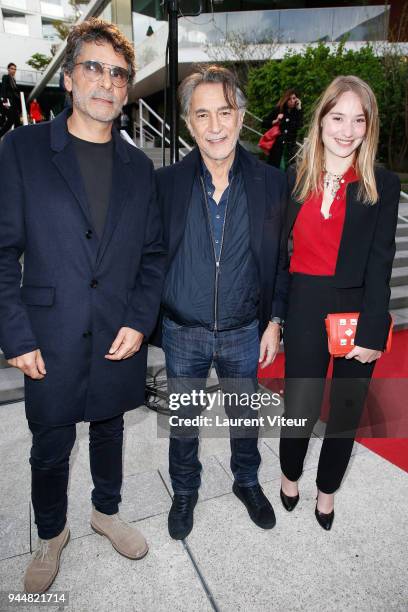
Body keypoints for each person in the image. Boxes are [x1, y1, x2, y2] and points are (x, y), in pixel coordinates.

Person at [0, 18, 166, 592]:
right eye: (93, 67)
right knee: (50, 440)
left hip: (116, 332)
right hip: (48, 331)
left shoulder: (141, 168)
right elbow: (2, 251)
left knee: (110, 426)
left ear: (126, 88)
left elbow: (153, 256)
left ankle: (106, 510)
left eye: (119, 73)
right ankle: (51, 534)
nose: (107, 81)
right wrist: (15, 334)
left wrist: (140, 320)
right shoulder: (21, 149)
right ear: (69, 79)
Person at [152, 66, 289, 540]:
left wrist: (275, 321)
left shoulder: (272, 183)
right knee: (184, 420)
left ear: (242, 116)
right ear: (189, 124)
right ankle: (185, 490)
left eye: (225, 112)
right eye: (202, 114)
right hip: (182, 330)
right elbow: (149, 256)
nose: (215, 126)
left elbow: (281, 262)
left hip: (243, 328)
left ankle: (246, 481)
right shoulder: (165, 184)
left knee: (244, 415)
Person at [279, 75, 400, 530]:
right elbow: (277, 257)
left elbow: (381, 260)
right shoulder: (293, 176)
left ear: (369, 127)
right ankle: (290, 475)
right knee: (301, 408)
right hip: (305, 304)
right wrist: (273, 318)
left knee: (346, 411)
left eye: (359, 120)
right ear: (321, 119)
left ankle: (326, 492)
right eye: (338, 117)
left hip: (356, 307)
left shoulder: (380, 184)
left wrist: (373, 330)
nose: (347, 130)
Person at [261, 89, 302, 169]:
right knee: (273, 169)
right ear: (286, 100)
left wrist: (299, 108)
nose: (292, 101)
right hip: (276, 148)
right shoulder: (279, 109)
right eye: (290, 99)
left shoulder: (297, 112)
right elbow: (264, 123)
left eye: (294, 98)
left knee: (287, 172)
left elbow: (300, 126)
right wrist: (275, 121)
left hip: (289, 150)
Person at [0, 62, 21, 138]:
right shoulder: (5, 77)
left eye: (15, 69)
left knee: (17, 122)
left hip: (14, 104)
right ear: (8, 69)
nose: (14, 70)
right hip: (8, 103)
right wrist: (4, 101)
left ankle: (15, 138)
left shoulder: (14, 81)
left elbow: (15, 93)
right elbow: (3, 89)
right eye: (12, 68)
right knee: (11, 120)